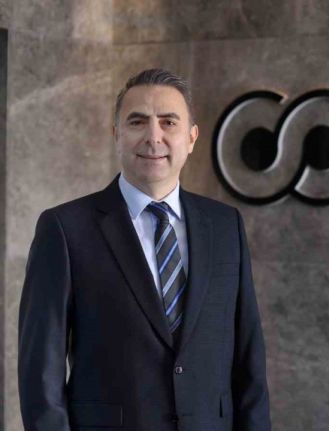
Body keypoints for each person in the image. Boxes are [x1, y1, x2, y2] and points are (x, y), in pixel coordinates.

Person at [17, 68, 271, 431]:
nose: (154, 137)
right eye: (137, 122)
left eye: (169, 122)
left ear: (191, 138)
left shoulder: (225, 225)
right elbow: (41, 373)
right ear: (116, 134)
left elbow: (249, 357)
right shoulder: (65, 228)